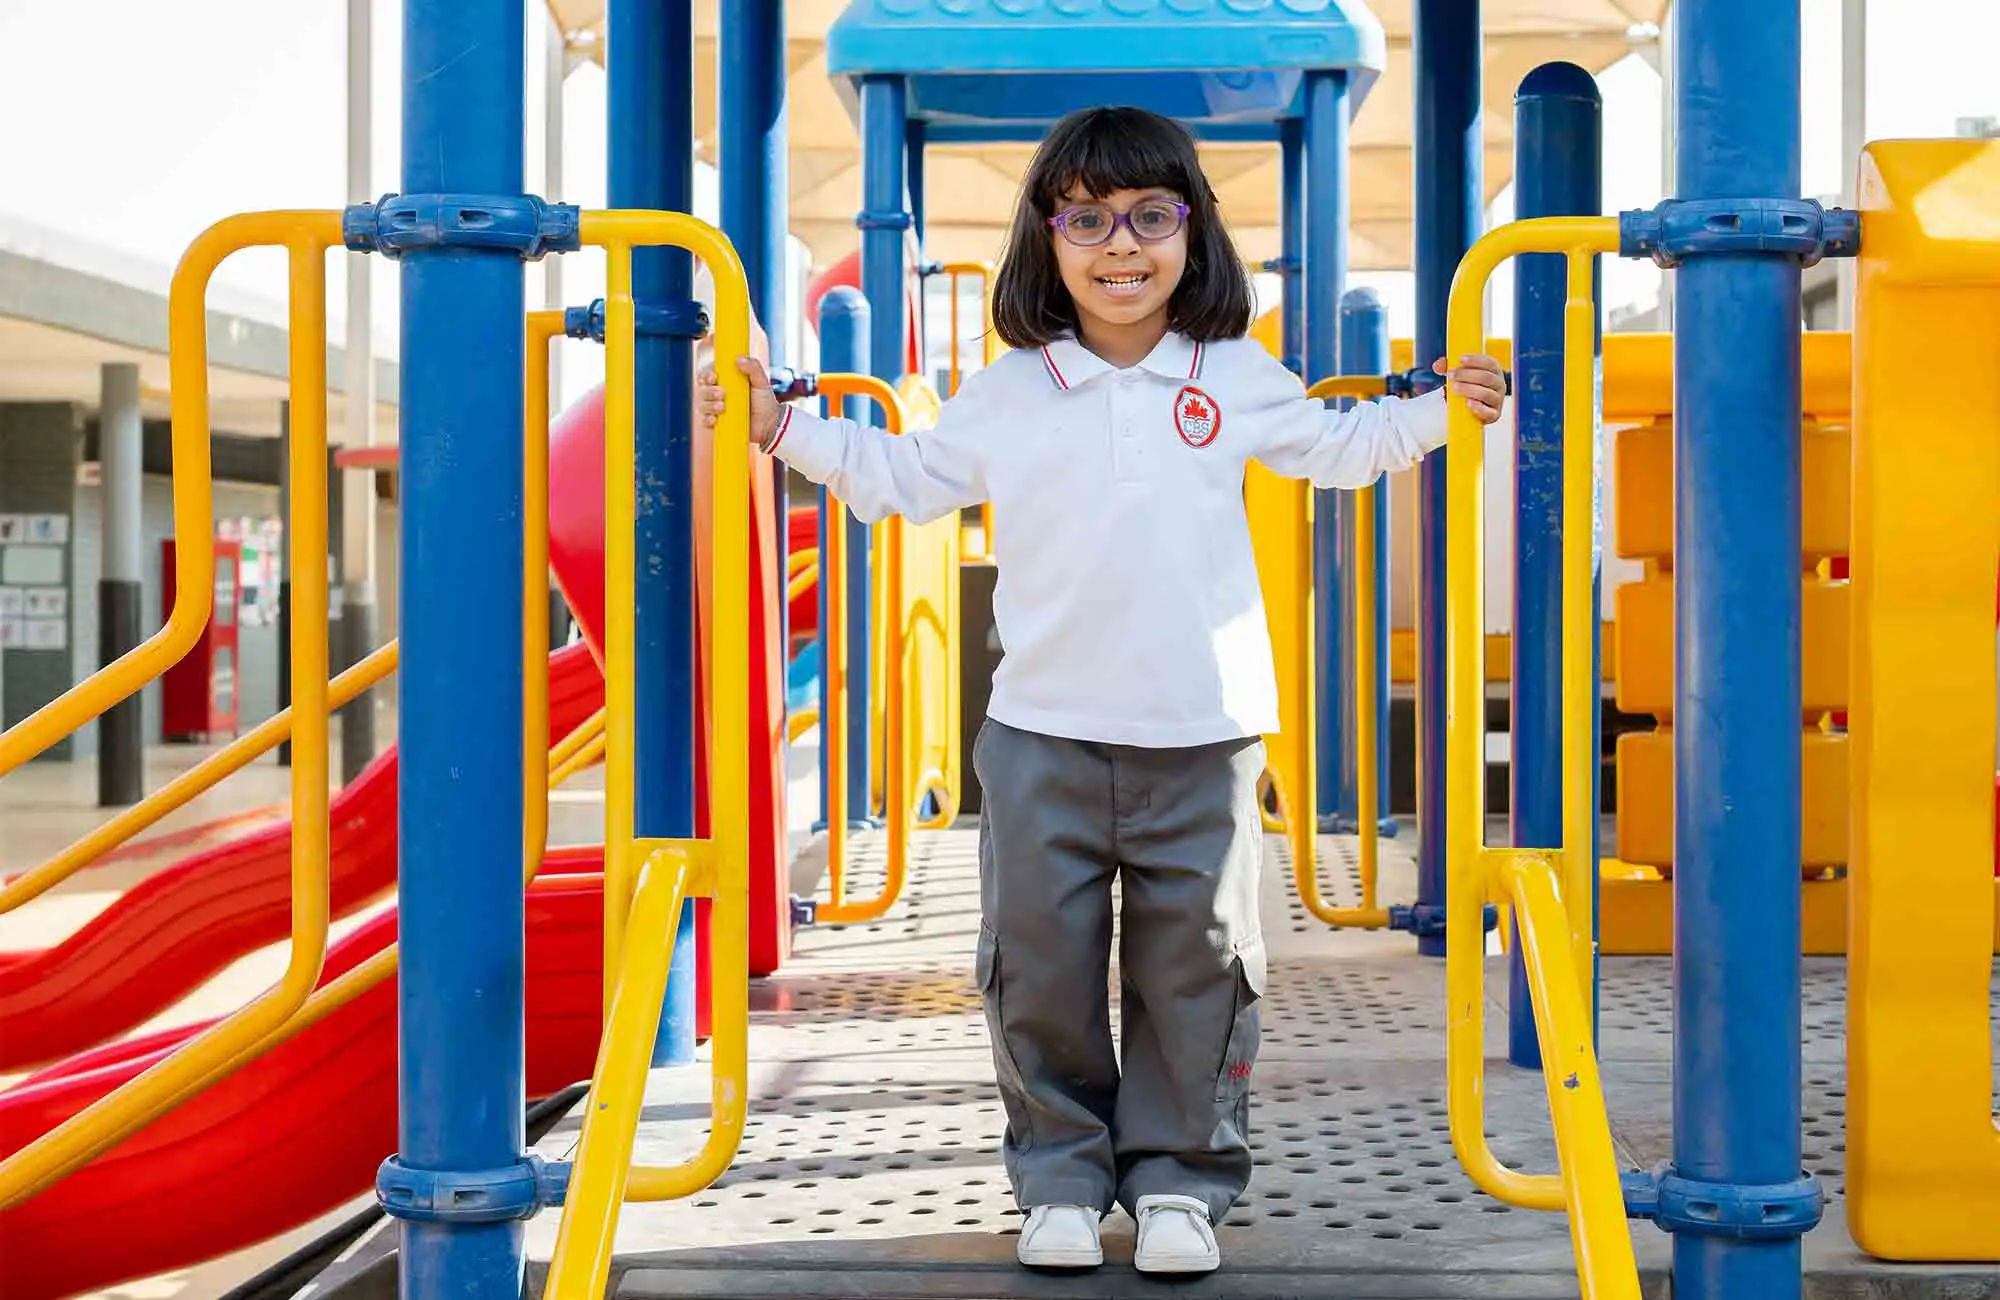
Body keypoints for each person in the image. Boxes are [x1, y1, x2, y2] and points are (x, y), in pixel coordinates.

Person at [698, 104, 1507, 1277]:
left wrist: (1445, 409)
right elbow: (903, 478)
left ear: (1194, 232)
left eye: (1148, 216)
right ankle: (1061, 1177)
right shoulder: (1013, 389)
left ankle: (1180, 1181)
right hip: (1041, 735)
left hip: (1204, 729)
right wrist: (783, 428)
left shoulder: (1230, 373)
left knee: (1204, 963)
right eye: (1085, 219)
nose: (1118, 246)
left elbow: (1340, 450)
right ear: (1046, 238)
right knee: (1039, 963)